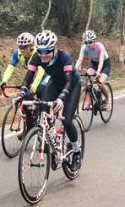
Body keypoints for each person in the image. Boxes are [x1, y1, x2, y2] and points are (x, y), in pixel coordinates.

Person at [17, 30, 82, 171]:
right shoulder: (37, 57)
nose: (43, 54)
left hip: (72, 84)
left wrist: (61, 98)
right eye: (40, 51)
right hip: (54, 82)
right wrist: (22, 92)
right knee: (43, 109)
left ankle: (76, 151)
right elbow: (29, 76)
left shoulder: (64, 57)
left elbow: (69, 81)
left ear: (53, 48)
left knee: (67, 121)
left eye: (46, 51)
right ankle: (55, 143)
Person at [76, 30, 111, 112]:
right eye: (86, 42)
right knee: (88, 80)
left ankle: (108, 99)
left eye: (90, 42)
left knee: (100, 83)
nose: (88, 44)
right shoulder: (84, 48)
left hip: (105, 64)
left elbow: (101, 61)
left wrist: (98, 72)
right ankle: (88, 101)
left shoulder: (100, 46)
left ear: (94, 41)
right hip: (94, 64)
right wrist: (75, 69)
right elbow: (80, 59)